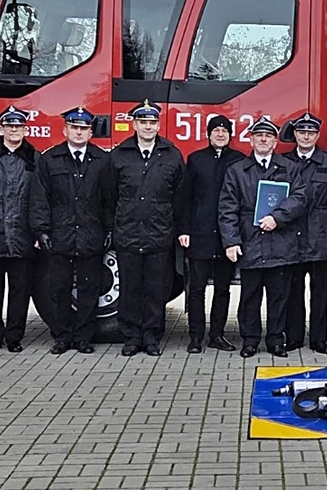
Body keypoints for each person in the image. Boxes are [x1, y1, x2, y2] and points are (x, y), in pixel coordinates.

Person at [217, 116, 307, 358]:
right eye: (259, 136)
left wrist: (278, 217)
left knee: (279, 298)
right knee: (249, 297)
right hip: (250, 242)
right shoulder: (236, 170)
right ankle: (250, 341)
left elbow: (300, 198)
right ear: (251, 140)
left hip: (281, 242)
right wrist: (231, 241)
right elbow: (227, 208)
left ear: (275, 141)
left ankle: (276, 341)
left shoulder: (290, 168)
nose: (264, 139)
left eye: (268, 136)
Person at [30, 107, 115, 355]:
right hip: (61, 234)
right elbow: (39, 198)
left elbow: (109, 198)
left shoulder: (102, 160)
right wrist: (41, 230)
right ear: (65, 130)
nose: (79, 133)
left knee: (89, 289)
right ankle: (62, 337)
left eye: (83, 129)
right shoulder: (49, 159)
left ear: (90, 133)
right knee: (59, 289)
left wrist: (109, 227)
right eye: (74, 128)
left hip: (91, 233)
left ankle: (83, 338)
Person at [111, 101, 183, 357]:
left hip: (159, 233)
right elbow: (109, 195)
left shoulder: (172, 154)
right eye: (143, 122)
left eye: (152, 122)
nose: (148, 127)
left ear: (158, 125)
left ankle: (152, 337)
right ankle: (131, 337)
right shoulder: (119, 154)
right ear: (135, 124)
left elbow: (179, 195)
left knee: (156, 289)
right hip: (128, 232)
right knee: (130, 288)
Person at [178, 115, 244, 353]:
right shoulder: (195, 160)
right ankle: (195, 337)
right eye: (215, 130)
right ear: (208, 134)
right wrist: (184, 229)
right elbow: (185, 198)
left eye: (224, 131)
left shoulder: (239, 161)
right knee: (196, 289)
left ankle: (217, 334)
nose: (220, 134)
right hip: (200, 235)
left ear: (230, 135)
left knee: (223, 290)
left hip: (226, 239)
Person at [281, 112, 327, 354]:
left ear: (317, 135)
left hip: (320, 236)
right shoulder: (283, 162)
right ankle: (294, 337)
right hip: (291, 236)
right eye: (302, 132)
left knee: (320, 292)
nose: (306, 136)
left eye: (311, 132)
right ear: (295, 134)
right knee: (293, 291)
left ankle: (318, 339)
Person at [0, 106, 38, 354]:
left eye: (18, 126)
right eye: (9, 126)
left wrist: (38, 232)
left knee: (20, 291)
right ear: (1, 128)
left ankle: (15, 336)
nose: (14, 130)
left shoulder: (36, 159)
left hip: (23, 233)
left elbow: (39, 199)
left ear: (25, 129)